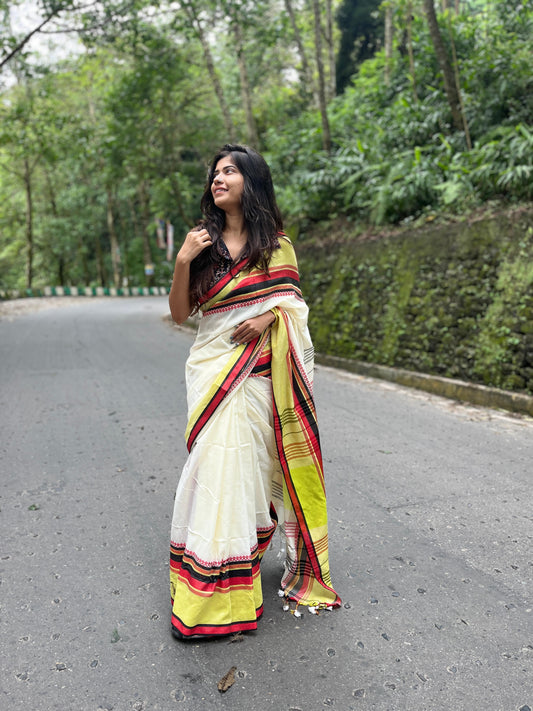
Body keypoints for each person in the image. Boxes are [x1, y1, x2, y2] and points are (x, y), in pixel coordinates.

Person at [168, 144, 340, 640]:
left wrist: (270, 315)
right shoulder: (203, 244)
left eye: (229, 171)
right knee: (219, 468)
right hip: (216, 375)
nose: (217, 178)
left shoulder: (277, 246)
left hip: (265, 379)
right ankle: (213, 597)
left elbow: (294, 306)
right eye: (214, 173)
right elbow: (182, 315)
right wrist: (183, 260)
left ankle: (233, 566)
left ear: (252, 182)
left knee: (253, 472)